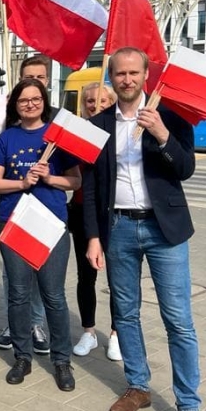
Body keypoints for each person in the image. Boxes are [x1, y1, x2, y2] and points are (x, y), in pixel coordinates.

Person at [82, 46, 206, 411]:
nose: (126, 80)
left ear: (146, 75)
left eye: (133, 73)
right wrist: (93, 236)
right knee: (125, 312)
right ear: (111, 78)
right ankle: (138, 386)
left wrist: (161, 133)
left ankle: (189, 408)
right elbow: (91, 186)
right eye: (119, 74)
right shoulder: (99, 124)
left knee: (178, 319)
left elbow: (185, 169)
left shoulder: (170, 116)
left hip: (165, 230)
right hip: (119, 228)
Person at [0, 78, 80, 391]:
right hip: (14, 222)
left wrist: (50, 178)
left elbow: (75, 182)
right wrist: (22, 183)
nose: (30, 104)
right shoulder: (7, 138)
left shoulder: (58, 136)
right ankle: (22, 356)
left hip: (51, 224)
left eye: (36, 99)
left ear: (44, 101)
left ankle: (61, 360)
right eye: (24, 100)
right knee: (18, 294)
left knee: (54, 295)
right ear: (15, 104)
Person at [0, 54, 51, 354]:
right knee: (12, 275)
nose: (34, 82)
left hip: (45, 212)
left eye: (40, 78)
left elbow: (74, 177)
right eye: (29, 77)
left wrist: (51, 178)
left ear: (47, 82)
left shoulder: (57, 124)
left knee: (39, 273)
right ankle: (15, 324)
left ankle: (36, 323)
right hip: (14, 211)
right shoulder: (7, 126)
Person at [69, 82, 122, 360]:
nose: (96, 105)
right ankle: (88, 331)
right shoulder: (78, 133)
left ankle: (116, 334)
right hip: (81, 212)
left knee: (118, 279)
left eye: (103, 101)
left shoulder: (121, 132)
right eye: (90, 101)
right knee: (85, 276)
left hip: (113, 214)